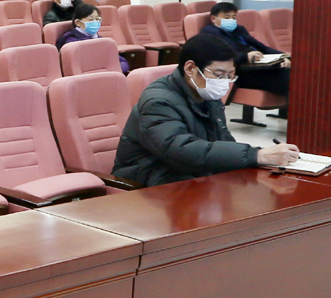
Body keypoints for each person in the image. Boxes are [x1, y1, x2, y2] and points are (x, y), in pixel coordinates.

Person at [112, 34, 298, 187]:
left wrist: (260, 155)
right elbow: (181, 150)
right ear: (190, 68)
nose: (224, 82)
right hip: (149, 180)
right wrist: (255, 155)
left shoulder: (206, 94)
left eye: (230, 76)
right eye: (219, 75)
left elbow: (223, 141)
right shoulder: (158, 101)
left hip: (189, 174)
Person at [200, 2, 290, 98]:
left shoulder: (239, 29)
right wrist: (246, 56)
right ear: (213, 19)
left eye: (233, 17)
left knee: (293, 72)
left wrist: (284, 56)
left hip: (259, 67)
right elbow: (222, 56)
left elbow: (262, 48)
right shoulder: (210, 33)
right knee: (287, 77)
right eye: (227, 17)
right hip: (242, 72)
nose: (231, 20)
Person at [55, 2, 129, 73]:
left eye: (97, 19)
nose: (95, 22)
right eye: (90, 19)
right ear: (78, 22)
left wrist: (115, 70)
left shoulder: (101, 40)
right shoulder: (71, 41)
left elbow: (122, 61)